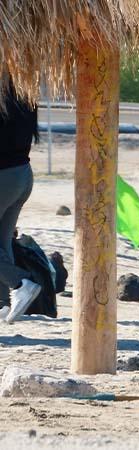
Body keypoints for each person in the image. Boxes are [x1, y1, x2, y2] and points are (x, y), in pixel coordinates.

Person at [0, 78, 42, 323]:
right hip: (23, 174)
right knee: (2, 242)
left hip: (4, 175)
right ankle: (3, 303)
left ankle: (20, 282)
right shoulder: (25, 92)